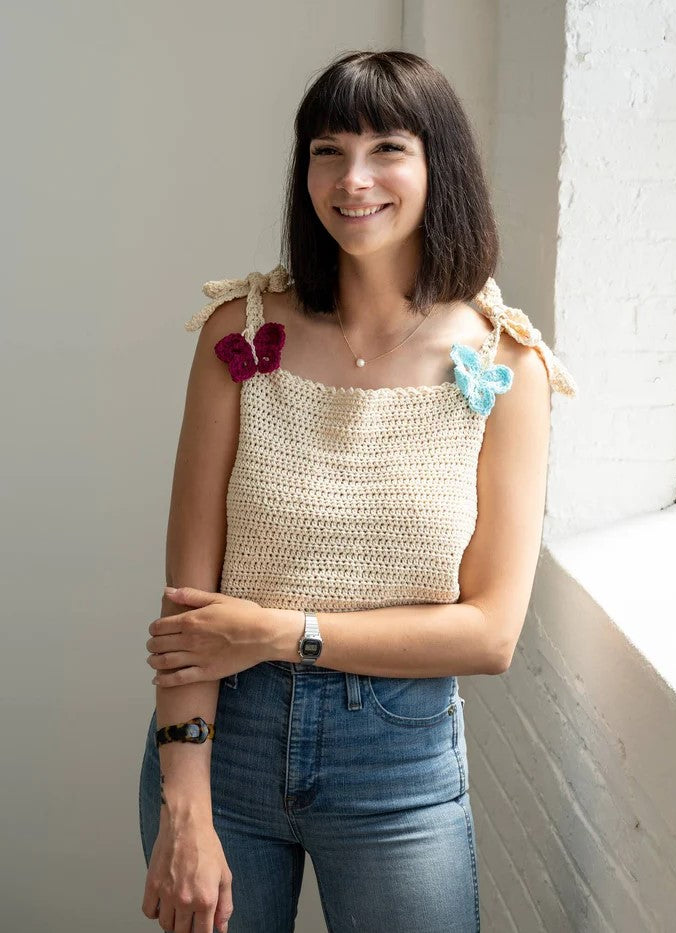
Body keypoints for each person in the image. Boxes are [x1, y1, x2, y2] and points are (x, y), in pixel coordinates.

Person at [138, 49, 577, 933]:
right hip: (222, 744)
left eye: (387, 148)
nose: (353, 179)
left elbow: (490, 633)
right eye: (327, 150)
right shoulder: (243, 334)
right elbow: (187, 611)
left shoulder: (503, 365)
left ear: (437, 164)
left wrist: (277, 630)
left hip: (398, 765)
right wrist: (185, 801)